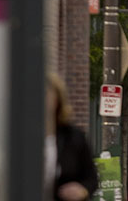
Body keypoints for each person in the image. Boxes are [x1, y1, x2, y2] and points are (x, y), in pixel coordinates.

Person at [46, 73, 98, 201]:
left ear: (57, 99)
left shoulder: (73, 137)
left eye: (46, 93)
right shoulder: (15, 137)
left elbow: (91, 179)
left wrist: (82, 190)